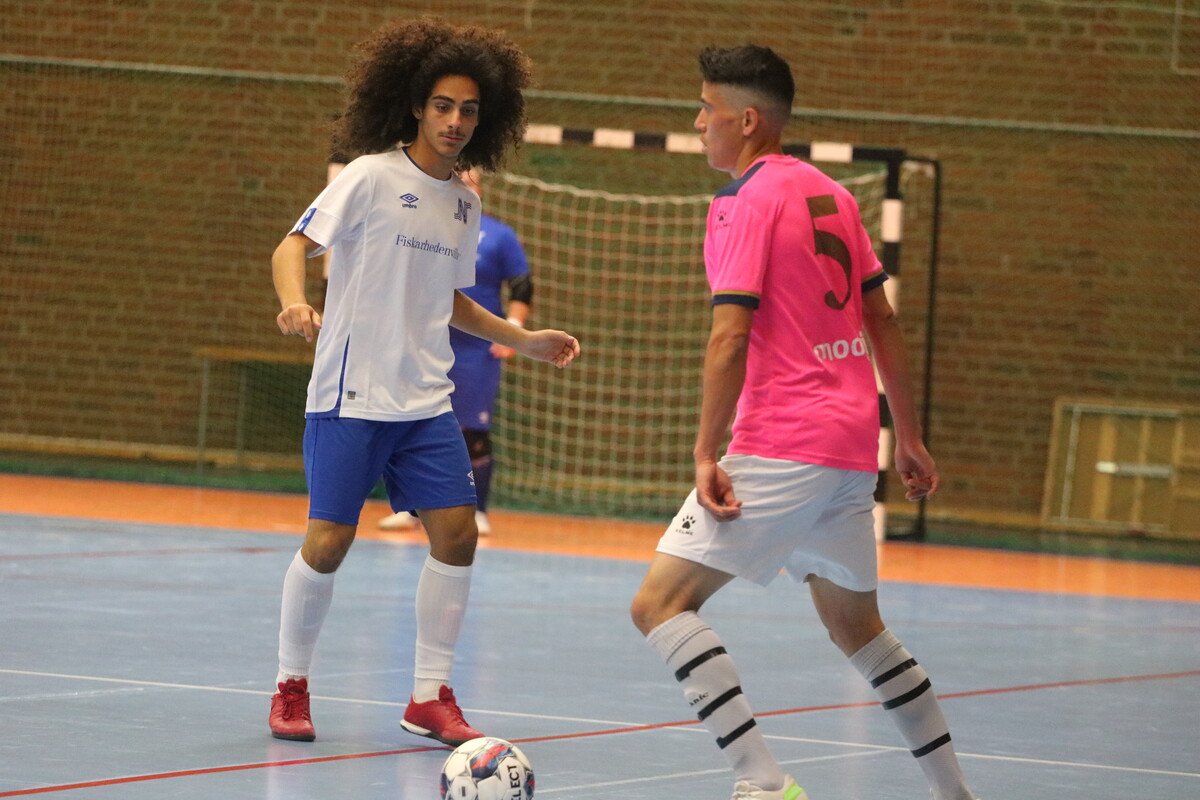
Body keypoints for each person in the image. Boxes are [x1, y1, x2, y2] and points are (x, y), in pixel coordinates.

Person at [628, 45, 978, 800]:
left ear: (748, 120)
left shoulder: (742, 203)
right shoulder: (834, 195)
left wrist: (705, 453)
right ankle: (955, 794)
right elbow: (883, 319)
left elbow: (729, 336)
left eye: (708, 109)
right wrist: (908, 436)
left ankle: (763, 782)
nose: (698, 123)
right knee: (859, 630)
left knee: (658, 604)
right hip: (850, 448)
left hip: (783, 440)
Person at [267, 17, 580, 746]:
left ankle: (429, 696)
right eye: (443, 106)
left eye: (468, 110)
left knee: (458, 535)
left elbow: (451, 299)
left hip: (425, 400)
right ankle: (290, 684)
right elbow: (292, 246)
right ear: (416, 106)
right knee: (328, 543)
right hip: (351, 393)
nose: (455, 121)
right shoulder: (370, 176)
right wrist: (293, 301)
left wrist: (524, 339)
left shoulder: (465, 204)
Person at [378, 168, 533, 536]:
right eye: (457, 178)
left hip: (477, 349)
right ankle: (412, 510)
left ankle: (477, 511)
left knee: (471, 430)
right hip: (426, 342)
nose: (464, 185)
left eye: (471, 180)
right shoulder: (424, 228)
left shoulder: (499, 235)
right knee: (414, 424)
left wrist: (513, 330)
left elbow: (522, 285)